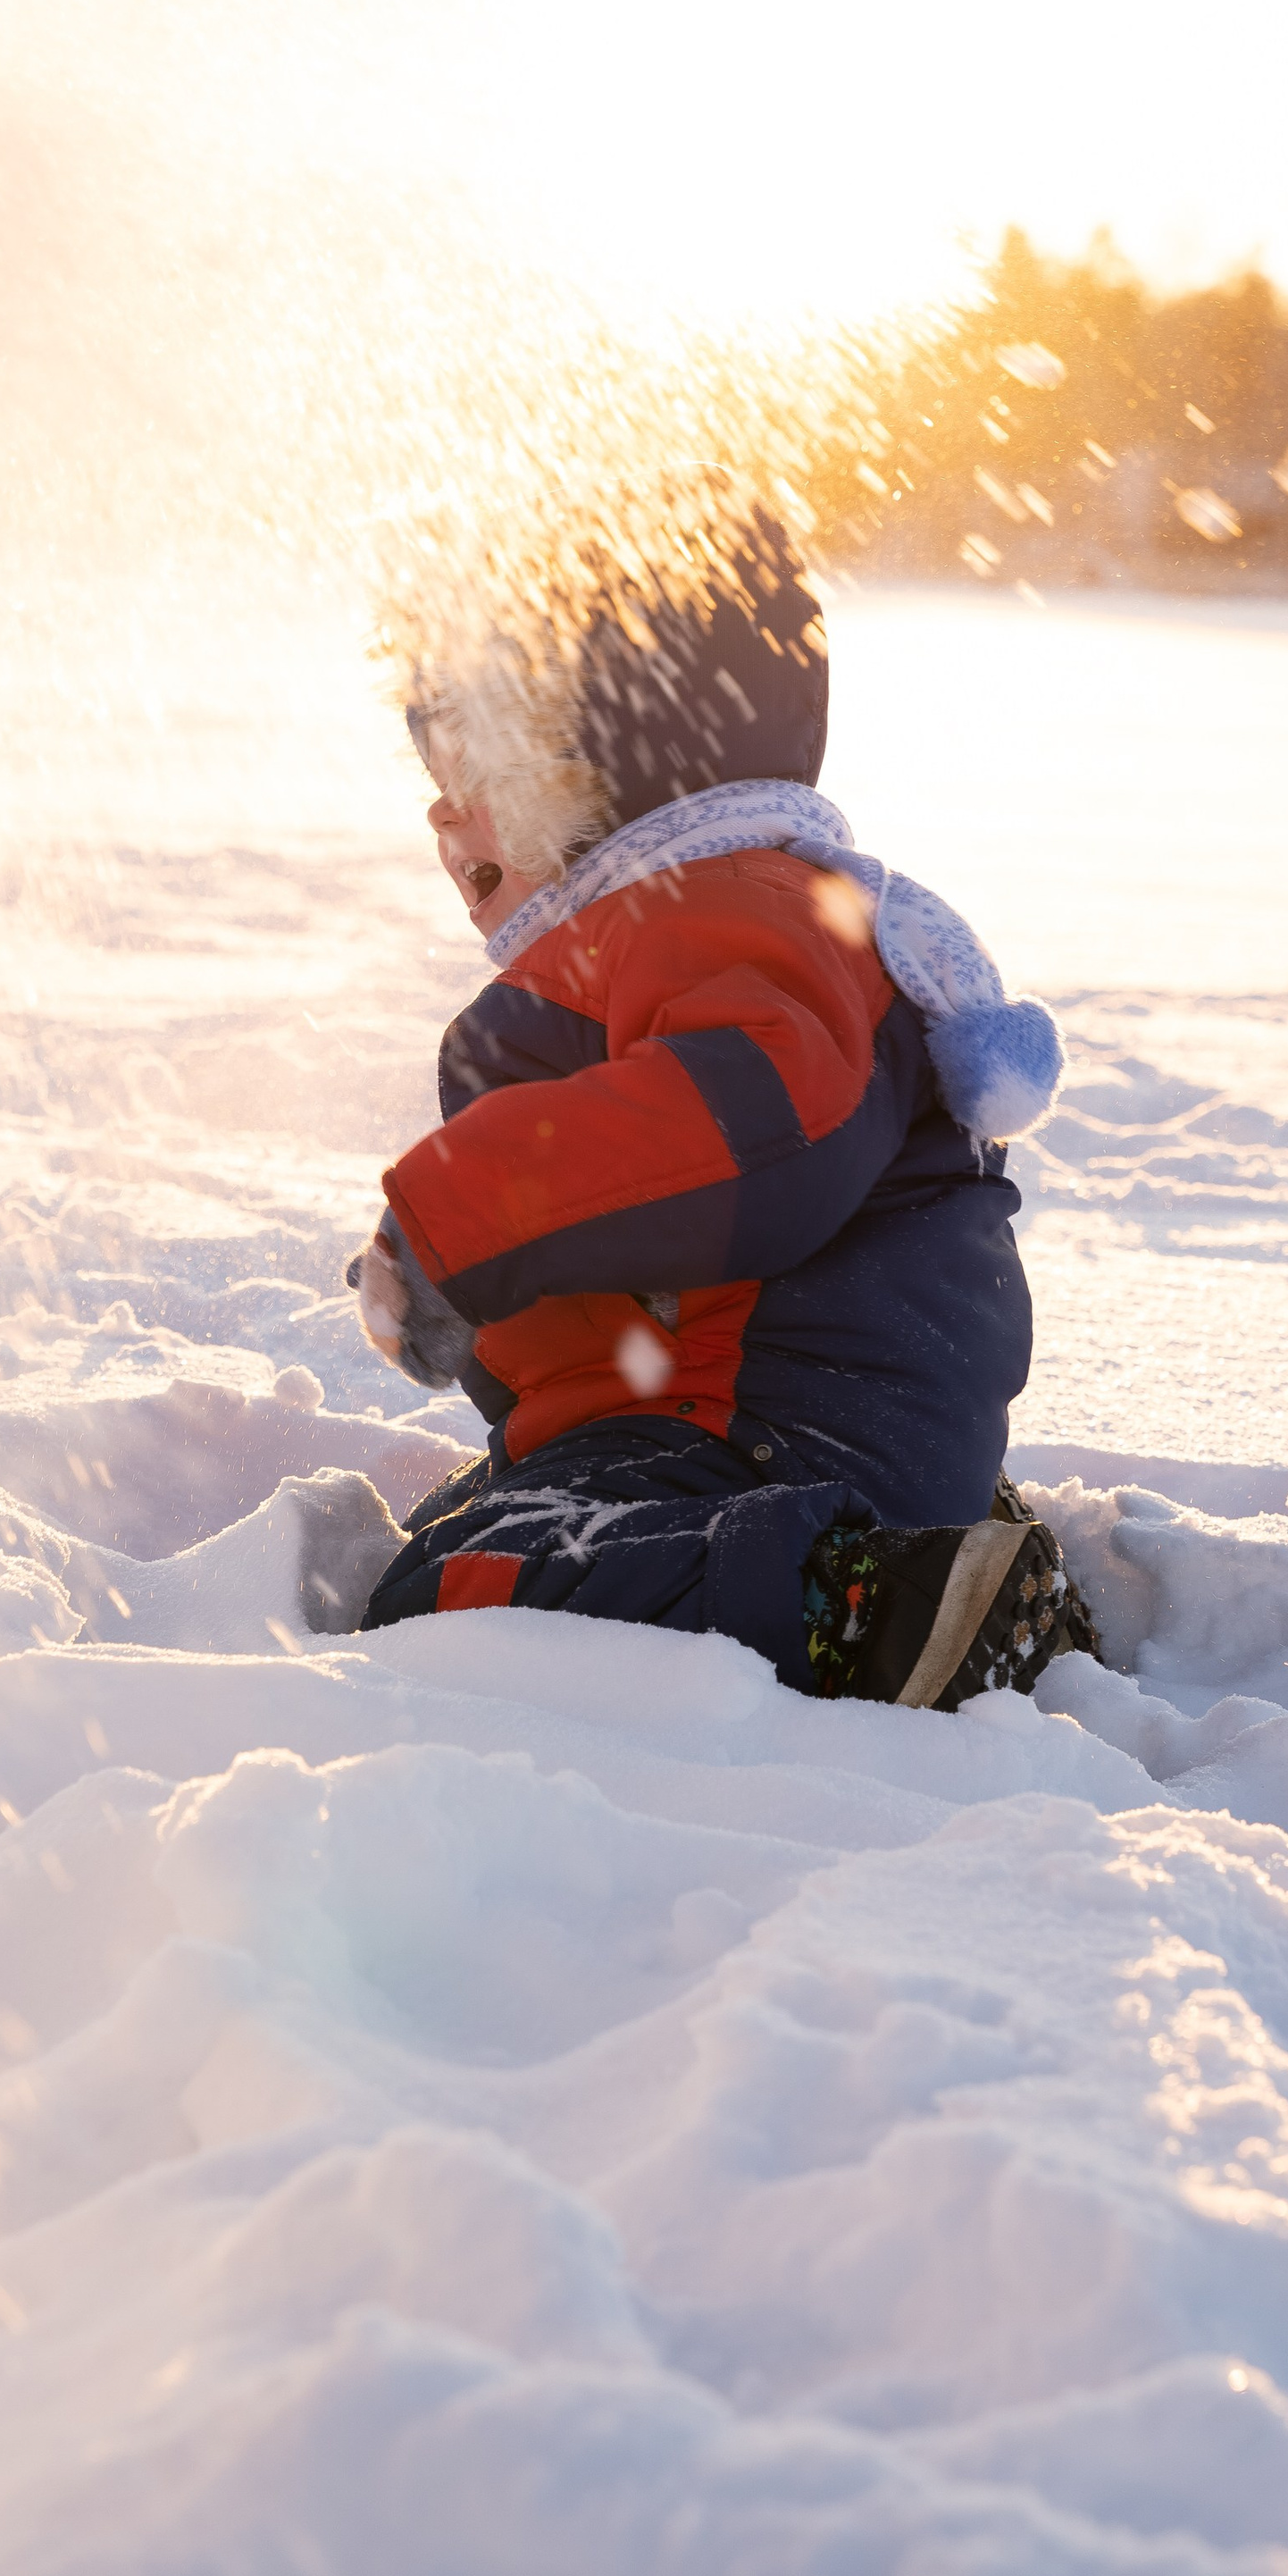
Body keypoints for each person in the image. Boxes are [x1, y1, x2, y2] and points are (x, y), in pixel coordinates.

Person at [331, 497, 1100, 1708]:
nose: (439, 804)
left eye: (461, 747)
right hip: (761, 1429)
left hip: (749, 1433)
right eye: (420, 751)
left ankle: (861, 1604)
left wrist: (454, 1226)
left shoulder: (717, 913)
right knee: (480, 1526)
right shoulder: (703, 918)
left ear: (599, 754)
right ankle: (902, 1566)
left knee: (458, 1585)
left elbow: (747, 1134)